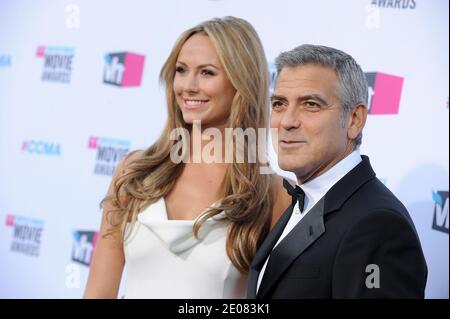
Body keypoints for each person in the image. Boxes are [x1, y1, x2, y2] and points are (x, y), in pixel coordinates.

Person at [83, 16, 291, 299]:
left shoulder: (273, 193)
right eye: (181, 70)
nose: (188, 86)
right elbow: (98, 293)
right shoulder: (133, 172)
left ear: (242, 81)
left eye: (207, 72)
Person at [247, 44, 428, 299]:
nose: (286, 121)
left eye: (310, 104)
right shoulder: (304, 201)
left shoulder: (378, 224)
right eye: (279, 104)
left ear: (354, 119)